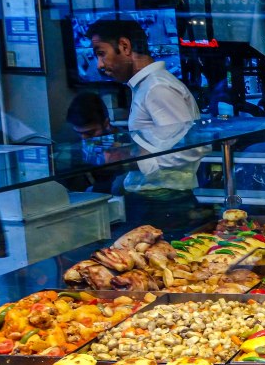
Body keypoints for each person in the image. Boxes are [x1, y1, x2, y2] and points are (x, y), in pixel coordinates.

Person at [85, 18, 207, 231]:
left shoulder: (157, 88)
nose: (99, 65)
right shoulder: (147, 86)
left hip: (165, 204)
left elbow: (191, 147)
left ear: (125, 46)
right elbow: (164, 143)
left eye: (101, 53)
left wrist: (131, 160)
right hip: (157, 202)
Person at [63, 92, 125, 193]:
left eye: (90, 133)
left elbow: (125, 184)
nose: (84, 139)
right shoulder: (75, 145)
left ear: (106, 124)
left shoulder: (124, 142)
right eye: (79, 133)